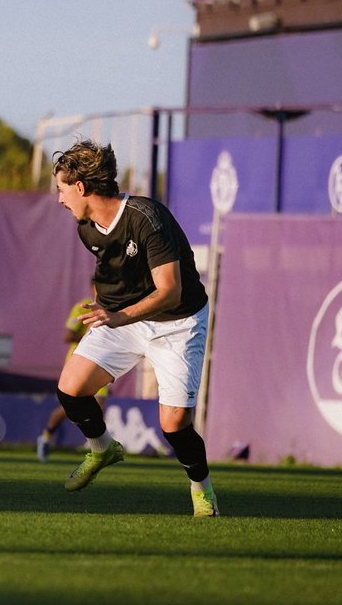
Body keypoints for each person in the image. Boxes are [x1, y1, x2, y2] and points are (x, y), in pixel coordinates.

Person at [50, 139, 219, 517]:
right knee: (70, 389)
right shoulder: (86, 228)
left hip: (178, 322)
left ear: (80, 188)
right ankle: (103, 448)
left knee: (174, 425)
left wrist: (119, 316)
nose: (59, 199)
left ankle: (201, 488)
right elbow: (114, 276)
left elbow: (170, 292)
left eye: (61, 190)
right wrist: (108, 310)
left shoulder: (147, 219)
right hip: (123, 319)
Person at [35, 295, 105, 462]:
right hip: (81, 360)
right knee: (71, 406)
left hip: (101, 362)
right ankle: (45, 437)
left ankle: (96, 445)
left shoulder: (114, 306)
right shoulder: (83, 306)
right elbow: (68, 336)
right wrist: (93, 340)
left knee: (100, 403)